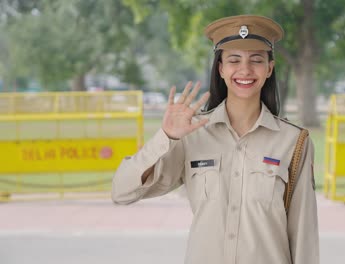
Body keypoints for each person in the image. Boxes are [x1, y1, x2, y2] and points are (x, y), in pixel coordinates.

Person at [112, 14, 319, 264]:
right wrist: (165, 137)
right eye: (234, 60)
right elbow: (122, 192)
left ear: (269, 68)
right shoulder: (193, 134)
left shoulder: (293, 141)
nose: (245, 70)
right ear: (221, 68)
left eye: (256, 60)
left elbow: (303, 232)